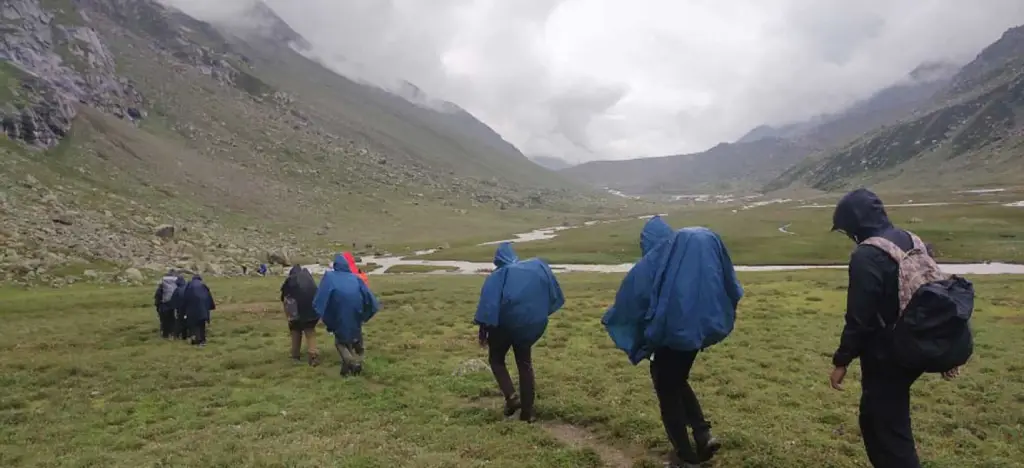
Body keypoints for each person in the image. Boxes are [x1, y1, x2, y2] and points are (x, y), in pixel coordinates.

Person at [828, 188, 970, 468]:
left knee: (885, 430)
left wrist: (842, 360)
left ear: (855, 223)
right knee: (888, 419)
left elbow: (859, 317)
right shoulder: (911, 239)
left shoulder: (866, 255)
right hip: (914, 343)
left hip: (888, 355)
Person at [601, 216, 742, 468]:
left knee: (666, 387)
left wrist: (614, 320)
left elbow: (633, 298)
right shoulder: (684, 257)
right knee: (677, 379)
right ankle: (702, 433)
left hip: (671, 337)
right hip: (696, 334)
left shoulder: (655, 262)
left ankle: (684, 456)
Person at [474, 242, 564, 422]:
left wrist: (483, 331)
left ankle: (511, 397)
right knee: (524, 364)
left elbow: (488, 306)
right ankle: (528, 413)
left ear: (498, 260)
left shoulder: (497, 276)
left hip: (503, 326)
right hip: (526, 326)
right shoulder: (533, 269)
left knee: (496, 359)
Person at [314, 253, 380, 376]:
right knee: (351, 335)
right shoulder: (355, 278)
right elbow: (369, 297)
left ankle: (352, 363)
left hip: (339, 311)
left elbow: (320, 297)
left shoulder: (330, 277)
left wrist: (320, 312)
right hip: (356, 311)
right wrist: (367, 313)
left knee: (340, 341)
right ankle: (346, 370)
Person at [281, 265, 321, 365]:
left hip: (295, 312)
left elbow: (284, 299)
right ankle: (313, 356)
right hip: (311, 312)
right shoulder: (310, 281)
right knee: (310, 332)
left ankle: (295, 355)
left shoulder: (289, 282)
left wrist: (288, 316)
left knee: (295, 331)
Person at [182, 274, 216, 347]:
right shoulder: (204, 286)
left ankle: (196, 340)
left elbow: (185, 298)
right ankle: (203, 340)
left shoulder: (189, 286)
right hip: (203, 309)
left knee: (194, 325)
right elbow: (209, 297)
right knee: (202, 325)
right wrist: (211, 306)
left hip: (192, 310)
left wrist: (184, 309)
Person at [153, 270, 181, 339]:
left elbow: (157, 296)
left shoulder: (162, 286)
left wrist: (158, 307)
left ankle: (165, 335)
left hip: (163, 306)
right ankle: (174, 335)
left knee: (164, 321)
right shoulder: (176, 284)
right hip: (173, 305)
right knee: (173, 321)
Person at [171, 275, 189, 340]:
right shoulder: (188, 288)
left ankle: (176, 335)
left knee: (179, 322)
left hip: (180, 309)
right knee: (186, 322)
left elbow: (173, 300)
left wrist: (174, 308)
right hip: (188, 309)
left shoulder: (177, 290)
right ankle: (185, 336)